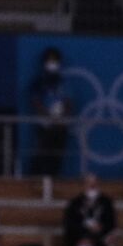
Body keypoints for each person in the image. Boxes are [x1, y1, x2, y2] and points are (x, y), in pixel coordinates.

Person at [28, 47, 73, 175]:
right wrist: (50, 117)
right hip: (45, 125)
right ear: (44, 63)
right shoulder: (38, 82)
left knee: (57, 158)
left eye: (55, 61)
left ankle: (54, 181)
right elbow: (36, 102)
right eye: (50, 61)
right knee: (43, 156)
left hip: (60, 126)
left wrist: (61, 119)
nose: (52, 64)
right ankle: (36, 180)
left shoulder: (64, 82)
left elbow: (69, 103)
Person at [63, 173, 117, 246]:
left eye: (94, 183)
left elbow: (111, 222)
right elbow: (69, 222)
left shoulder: (106, 202)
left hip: (99, 239)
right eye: (89, 183)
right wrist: (86, 227)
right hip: (79, 238)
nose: (92, 186)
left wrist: (101, 227)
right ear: (84, 185)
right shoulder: (75, 202)